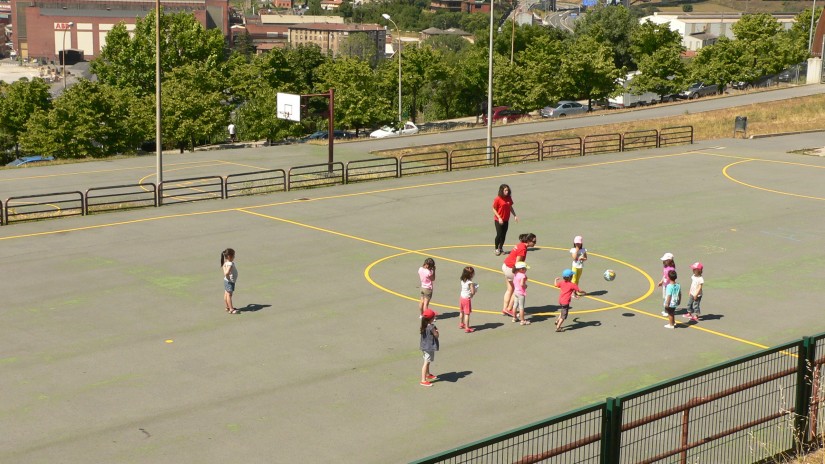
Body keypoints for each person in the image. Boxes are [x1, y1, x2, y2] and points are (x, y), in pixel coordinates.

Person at [501, 233, 537, 317]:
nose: (535, 243)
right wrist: (519, 275)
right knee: (516, 290)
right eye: (534, 241)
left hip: (505, 266)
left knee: (509, 289)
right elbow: (517, 263)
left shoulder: (520, 245)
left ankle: (504, 308)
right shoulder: (522, 249)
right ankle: (509, 309)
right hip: (511, 269)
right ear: (528, 241)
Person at [492, 184, 518, 256]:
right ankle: (496, 248)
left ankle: (501, 248)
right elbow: (494, 209)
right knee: (499, 234)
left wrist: (515, 215)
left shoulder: (509, 198)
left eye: (507, 190)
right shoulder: (498, 199)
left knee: (503, 235)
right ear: (502, 191)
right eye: (505, 190)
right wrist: (499, 217)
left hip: (506, 219)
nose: (507, 191)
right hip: (498, 220)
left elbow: (510, 207)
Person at [419, 308, 440, 387]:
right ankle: (423, 380)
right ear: (431, 319)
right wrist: (437, 331)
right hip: (429, 347)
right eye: (434, 317)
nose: (435, 318)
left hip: (424, 346)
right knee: (426, 362)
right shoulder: (431, 327)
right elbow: (436, 335)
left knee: (427, 360)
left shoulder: (424, 325)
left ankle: (427, 374)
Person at [459, 266, 478, 333]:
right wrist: (475, 289)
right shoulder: (470, 283)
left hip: (461, 297)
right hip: (467, 299)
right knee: (467, 313)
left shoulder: (462, 279)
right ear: (470, 274)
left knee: (461, 311)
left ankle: (461, 324)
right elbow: (472, 292)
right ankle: (467, 327)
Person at [221, 248, 239, 314]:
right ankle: (231, 309)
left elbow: (224, 270)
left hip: (227, 281)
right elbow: (226, 272)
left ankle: (227, 307)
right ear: (229, 256)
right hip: (230, 282)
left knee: (226, 294)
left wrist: (226, 274)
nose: (234, 257)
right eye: (233, 255)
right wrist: (227, 275)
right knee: (229, 295)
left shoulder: (226, 263)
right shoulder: (230, 264)